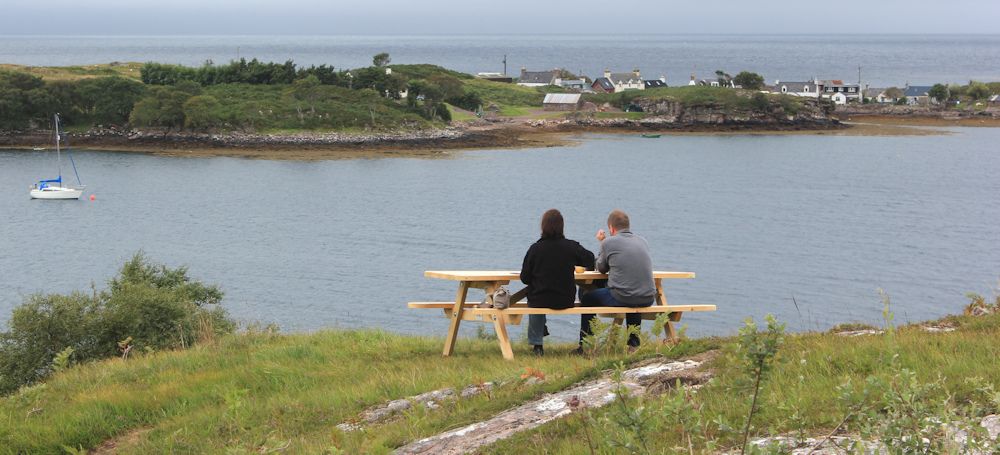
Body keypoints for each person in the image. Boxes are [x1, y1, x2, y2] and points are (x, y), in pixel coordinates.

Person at [576, 210, 656, 352]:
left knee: (587, 297)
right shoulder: (643, 241)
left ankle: (587, 346)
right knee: (634, 295)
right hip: (649, 296)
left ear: (611, 228)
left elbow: (600, 268)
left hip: (624, 296)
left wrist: (603, 243)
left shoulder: (609, 243)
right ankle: (633, 345)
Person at [520, 209, 595, 356]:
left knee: (533, 297)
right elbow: (590, 258)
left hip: (540, 299)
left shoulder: (535, 249)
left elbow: (525, 278)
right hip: (565, 299)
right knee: (536, 297)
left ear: (543, 226)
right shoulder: (570, 247)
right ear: (562, 227)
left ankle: (537, 345)